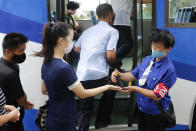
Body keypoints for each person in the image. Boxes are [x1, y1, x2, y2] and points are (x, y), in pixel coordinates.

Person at [35, 21, 120, 131]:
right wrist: (107, 87)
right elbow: (83, 94)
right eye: (71, 39)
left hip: (52, 117)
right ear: (61, 41)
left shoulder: (46, 63)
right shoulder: (65, 68)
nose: (72, 43)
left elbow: (44, 90)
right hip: (64, 120)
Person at [112, 29, 177, 131]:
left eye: (158, 47)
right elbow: (133, 75)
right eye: (153, 45)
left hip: (156, 114)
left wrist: (135, 89)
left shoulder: (169, 70)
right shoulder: (148, 59)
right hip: (141, 110)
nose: (154, 49)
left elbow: (156, 95)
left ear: (168, 49)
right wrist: (119, 75)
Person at [74, 3, 118, 130]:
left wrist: (90, 53)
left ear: (98, 16)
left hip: (81, 75)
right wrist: (111, 63)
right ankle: (101, 121)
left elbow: (76, 49)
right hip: (99, 76)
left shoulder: (88, 31)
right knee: (113, 88)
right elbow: (110, 56)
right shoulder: (112, 31)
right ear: (110, 15)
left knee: (85, 108)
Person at [96, 0, 134, 127]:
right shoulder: (113, 30)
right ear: (109, 15)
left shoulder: (95, 32)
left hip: (120, 20)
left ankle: (115, 65)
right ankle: (114, 63)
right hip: (122, 21)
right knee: (128, 43)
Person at [0, 33, 34, 131]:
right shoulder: (11, 73)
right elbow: (22, 101)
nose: (23, 54)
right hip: (12, 121)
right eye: (21, 51)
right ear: (8, 51)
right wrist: (23, 99)